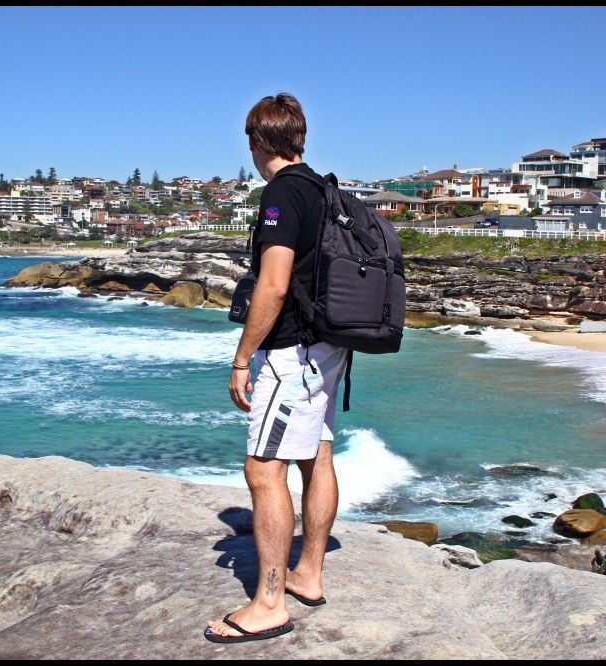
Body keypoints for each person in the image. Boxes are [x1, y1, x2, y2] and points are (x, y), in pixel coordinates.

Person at [205, 93, 349, 644]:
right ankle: (308, 573)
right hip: (329, 348)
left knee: (265, 470)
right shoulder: (322, 185)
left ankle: (267, 603)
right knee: (317, 453)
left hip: (292, 355)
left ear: (256, 141)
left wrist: (243, 357)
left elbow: (274, 282)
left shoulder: (282, 194)